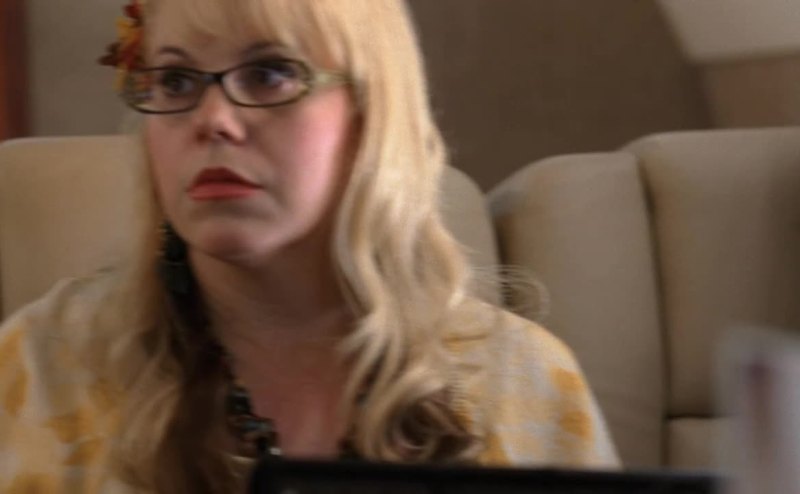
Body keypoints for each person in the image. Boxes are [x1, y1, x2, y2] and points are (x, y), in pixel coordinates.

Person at [0, 0, 618, 492]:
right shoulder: (40, 369)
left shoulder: (524, 383)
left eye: (269, 73)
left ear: (371, 113)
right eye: (176, 80)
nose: (213, 119)